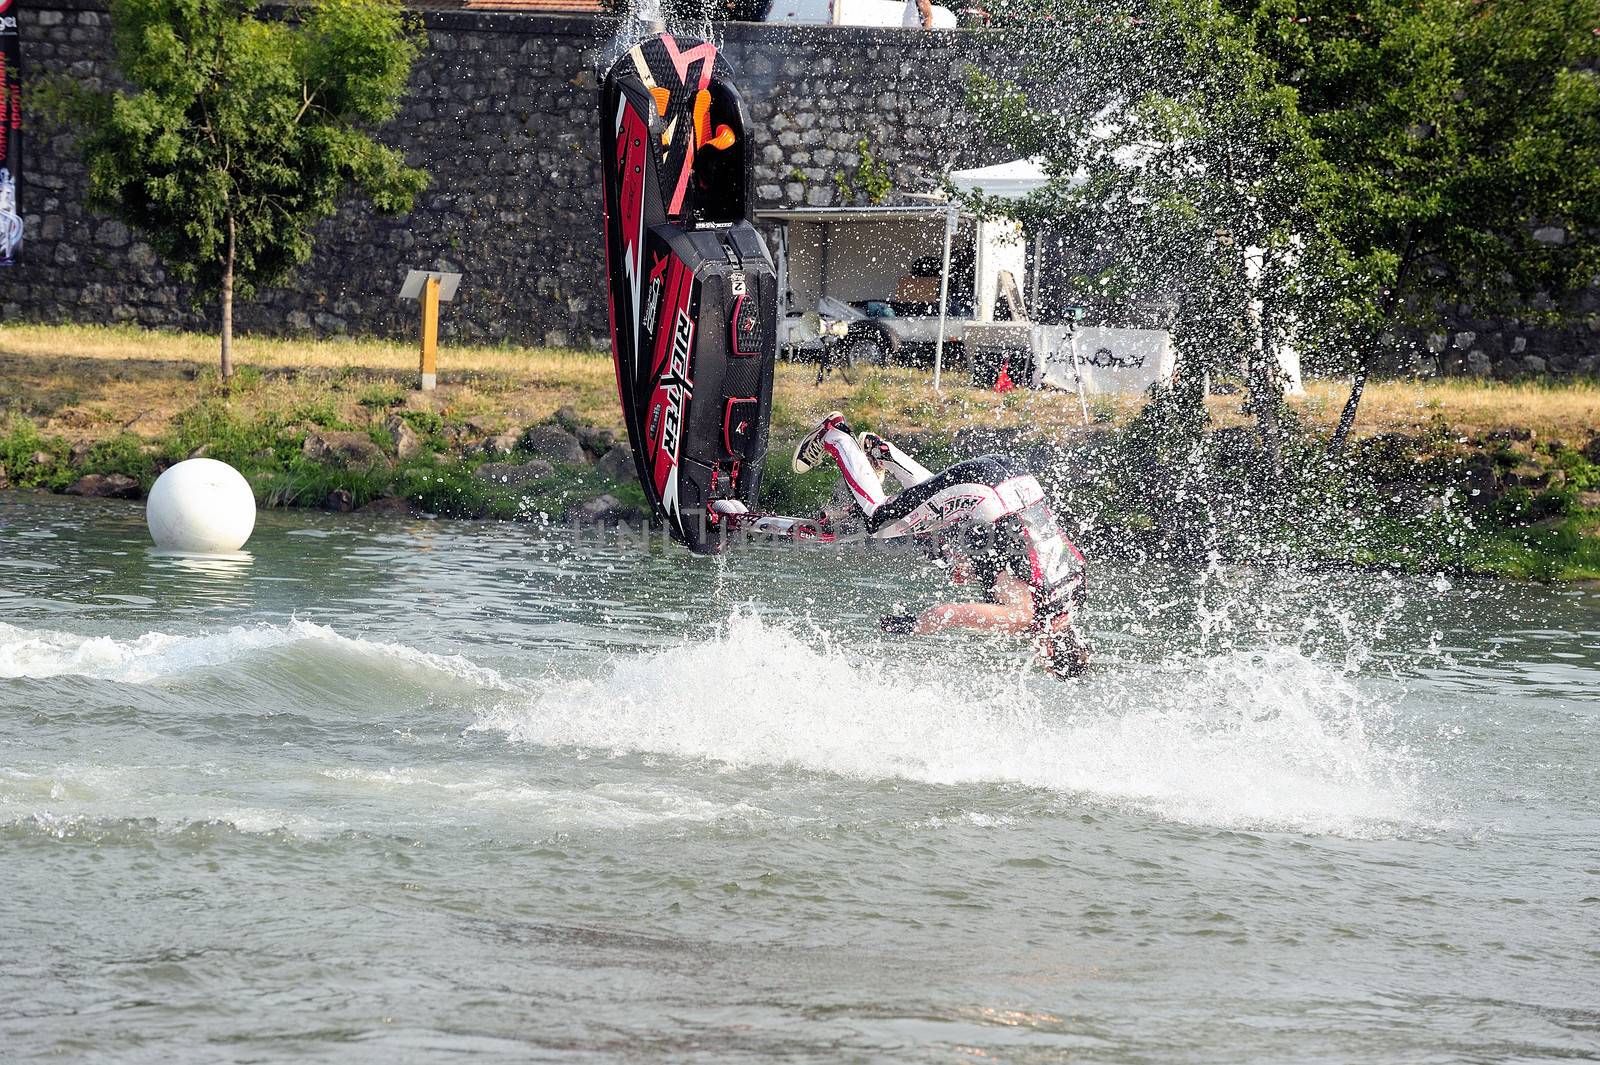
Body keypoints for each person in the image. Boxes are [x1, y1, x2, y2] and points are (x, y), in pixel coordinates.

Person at [792, 411, 1090, 678]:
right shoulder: (1023, 618)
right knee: (878, 522)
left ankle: (884, 454)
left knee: (939, 518)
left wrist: (975, 570)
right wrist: (913, 625)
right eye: (1043, 661)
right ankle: (836, 435)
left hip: (1017, 480)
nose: (1036, 655)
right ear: (1049, 652)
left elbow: (1026, 548)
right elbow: (951, 613)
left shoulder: (1076, 590)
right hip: (984, 493)